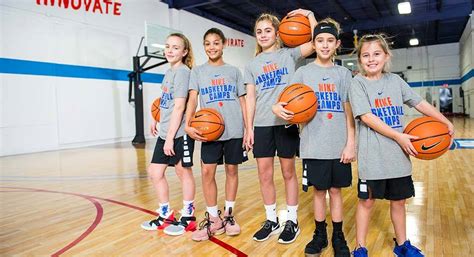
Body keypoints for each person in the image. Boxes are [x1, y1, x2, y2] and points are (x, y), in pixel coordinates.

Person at [349, 34, 454, 257]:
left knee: (399, 202)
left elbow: (420, 103)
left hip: (398, 158)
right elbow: (366, 117)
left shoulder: (395, 81)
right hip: (373, 158)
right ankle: (360, 246)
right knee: (366, 203)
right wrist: (398, 136)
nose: (371, 59)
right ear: (359, 59)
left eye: (376, 54)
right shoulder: (357, 83)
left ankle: (403, 244)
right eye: (365, 55)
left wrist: (444, 121)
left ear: (386, 56)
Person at [273, 18, 354, 256]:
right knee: (319, 192)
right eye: (320, 41)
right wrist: (278, 108)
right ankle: (320, 235)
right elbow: (282, 102)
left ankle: (338, 236)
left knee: (336, 191)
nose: (325, 45)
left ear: (337, 44)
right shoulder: (303, 72)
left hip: (339, 145)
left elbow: (349, 112)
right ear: (314, 44)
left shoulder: (344, 74)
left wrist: (351, 143)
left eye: (330, 41)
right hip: (313, 144)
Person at [244, 9, 317, 244]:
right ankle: (271, 219)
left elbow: (317, 41)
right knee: (264, 174)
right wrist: (249, 128)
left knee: (288, 173)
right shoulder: (252, 65)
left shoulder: (289, 54)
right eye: (259, 32)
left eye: (267, 31)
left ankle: (291, 220)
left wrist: (309, 14)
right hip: (262, 125)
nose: (263, 35)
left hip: (286, 122)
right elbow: (251, 99)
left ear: (277, 33)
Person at [184, 28, 248, 241]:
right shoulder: (198, 71)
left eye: (216, 43)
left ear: (223, 45)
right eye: (208, 43)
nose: (212, 47)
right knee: (206, 172)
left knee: (232, 170)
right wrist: (188, 123)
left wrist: (248, 129)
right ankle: (214, 219)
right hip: (208, 130)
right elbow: (192, 99)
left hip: (234, 128)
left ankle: (229, 214)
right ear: (204, 46)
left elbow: (242, 101)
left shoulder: (234, 71)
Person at [140, 33, 197, 236]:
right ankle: (165, 215)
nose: (170, 50)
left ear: (184, 52)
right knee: (155, 172)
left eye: (175, 47)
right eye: (167, 46)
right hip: (166, 131)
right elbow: (167, 101)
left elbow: (180, 106)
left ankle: (188, 217)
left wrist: (171, 137)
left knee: (183, 172)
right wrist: (156, 118)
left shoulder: (182, 72)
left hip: (179, 134)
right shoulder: (169, 72)